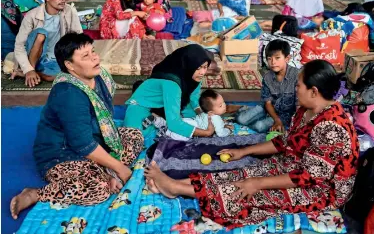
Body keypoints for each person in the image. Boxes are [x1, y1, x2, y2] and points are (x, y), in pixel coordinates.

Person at [145, 59, 359, 228]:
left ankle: (173, 186)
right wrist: (244, 151)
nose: (296, 89)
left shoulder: (332, 128)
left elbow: (308, 178)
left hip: (320, 189)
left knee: (248, 192)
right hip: (294, 165)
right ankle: (177, 188)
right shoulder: (306, 109)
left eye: (299, 85)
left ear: (314, 91)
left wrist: (258, 183)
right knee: (240, 173)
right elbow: (286, 142)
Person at [10, 33, 143, 220]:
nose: (95, 57)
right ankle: (36, 194)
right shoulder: (69, 93)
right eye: (86, 56)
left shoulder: (100, 76)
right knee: (98, 190)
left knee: (134, 136)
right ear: (70, 65)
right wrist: (120, 169)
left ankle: (105, 170)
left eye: (93, 52)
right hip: (62, 153)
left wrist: (113, 166)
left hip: (95, 141)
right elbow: (82, 144)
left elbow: (103, 122)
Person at [123, 44, 216, 146]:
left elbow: (193, 97)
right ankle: (159, 121)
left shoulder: (193, 76)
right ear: (189, 65)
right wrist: (206, 133)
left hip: (166, 104)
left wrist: (201, 114)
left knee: (198, 118)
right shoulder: (172, 83)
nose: (202, 72)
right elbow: (174, 123)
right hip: (143, 105)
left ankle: (162, 120)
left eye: (205, 67)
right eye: (198, 68)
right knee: (136, 137)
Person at [12, 0, 82, 88]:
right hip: (34, 57)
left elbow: (78, 38)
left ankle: (27, 74)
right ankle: (31, 70)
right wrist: (28, 69)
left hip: (54, 58)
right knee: (41, 33)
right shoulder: (32, 16)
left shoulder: (69, 11)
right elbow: (19, 46)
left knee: (64, 76)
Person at [236, 40, 299, 133]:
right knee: (241, 119)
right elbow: (268, 103)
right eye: (269, 58)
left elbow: (299, 105)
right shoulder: (267, 77)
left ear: (287, 58)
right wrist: (276, 120)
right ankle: (245, 109)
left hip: (286, 115)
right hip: (267, 109)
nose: (273, 62)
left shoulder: (297, 76)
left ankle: (257, 116)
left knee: (259, 126)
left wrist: (290, 122)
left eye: (277, 58)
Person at [145, 89, 234, 141]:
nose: (224, 106)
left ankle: (156, 120)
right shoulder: (216, 118)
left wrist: (223, 123)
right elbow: (220, 133)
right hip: (194, 128)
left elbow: (217, 123)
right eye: (220, 105)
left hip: (190, 120)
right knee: (182, 137)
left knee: (172, 123)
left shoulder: (206, 112)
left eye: (223, 102)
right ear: (211, 112)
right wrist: (228, 130)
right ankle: (167, 132)